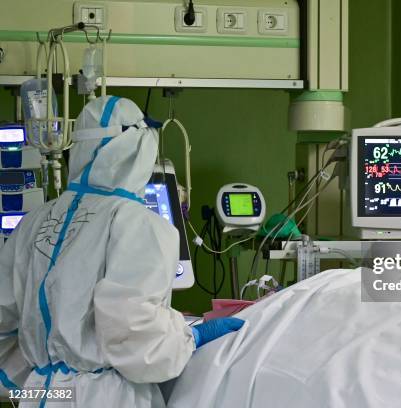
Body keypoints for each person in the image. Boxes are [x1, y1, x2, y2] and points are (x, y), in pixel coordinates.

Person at [0, 96, 244, 407]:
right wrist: (187, 338)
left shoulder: (32, 223)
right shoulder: (139, 225)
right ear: (141, 148)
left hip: (42, 394)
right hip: (106, 398)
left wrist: (38, 383)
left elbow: (4, 323)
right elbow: (134, 333)